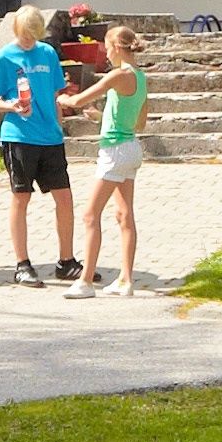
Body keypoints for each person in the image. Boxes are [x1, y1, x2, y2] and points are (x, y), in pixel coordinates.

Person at [0, 6, 74, 281]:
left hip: (50, 137)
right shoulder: (5, 57)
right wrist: (11, 106)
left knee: (65, 198)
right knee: (21, 198)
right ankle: (22, 264)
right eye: (24, 37)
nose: (28, 41)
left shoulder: (47, 53)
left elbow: (56, 93)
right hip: (19, 137)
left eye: (32, 36)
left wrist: (60, 128)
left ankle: (66, 261)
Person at [72, 18, 150, 294]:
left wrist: (63, 99)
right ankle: (126, 280)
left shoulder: (119, 74)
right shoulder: (140, 77)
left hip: (115, 151)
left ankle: (85, 281)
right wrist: (101, 117)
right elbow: (138, 123)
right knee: (123, 214)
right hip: (131, 148)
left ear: (117, 46)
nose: (105, 53)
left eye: (107, 48)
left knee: (90, 215)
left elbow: (80, 99)